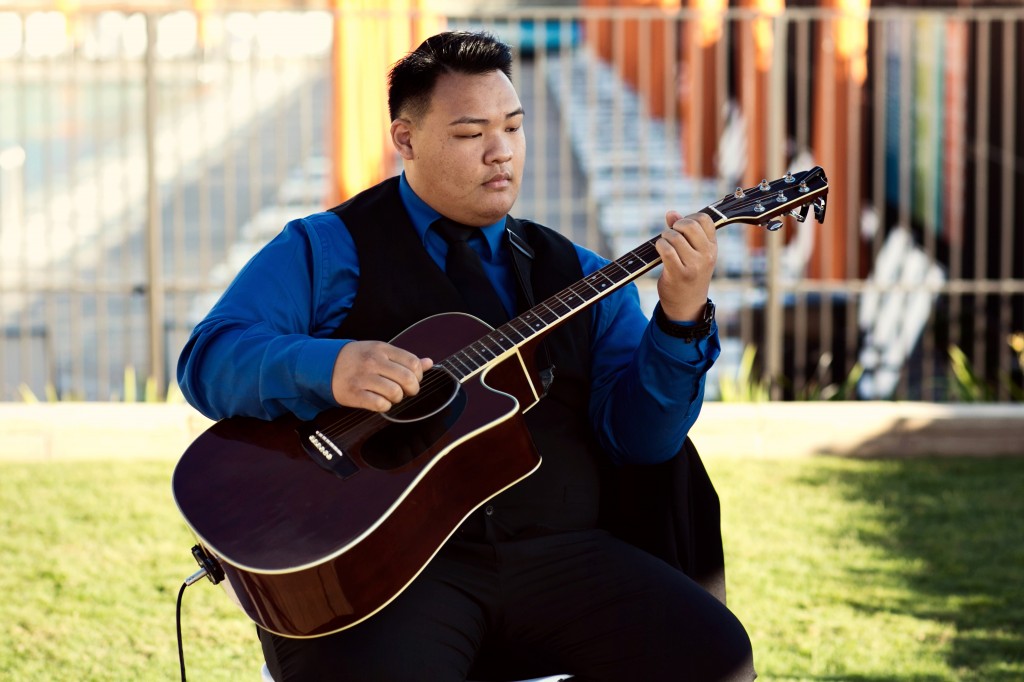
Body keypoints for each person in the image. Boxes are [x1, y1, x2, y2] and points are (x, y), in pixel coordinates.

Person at [178, 30, 755, 682]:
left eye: (513, 126)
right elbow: (209, 358)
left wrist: (679, 320)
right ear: (406, 141)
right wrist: (329, 368)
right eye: (469, 133)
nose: (501, 150)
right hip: (394, 567)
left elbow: (645, 443)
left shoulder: (584, 275)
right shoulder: (326, 248)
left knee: (714, 658)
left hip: (562, 554)